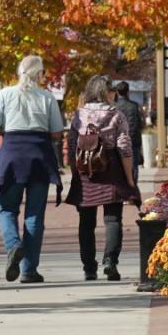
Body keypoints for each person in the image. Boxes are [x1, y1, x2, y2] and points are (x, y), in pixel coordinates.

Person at [0, 54, 63, 284]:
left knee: (7, 208)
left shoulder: (6, 94)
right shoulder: (47, 98)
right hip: (39, 158)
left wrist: (6, 134)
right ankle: (29, 270)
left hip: (11, 157)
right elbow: (57, 132)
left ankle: (13, 245)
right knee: (34, 216)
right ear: (39, 74)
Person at [67, 76, 139, 280]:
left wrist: (75, 172)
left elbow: (72, 145)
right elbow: (124, 147)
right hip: (112, 169)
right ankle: (110, 261)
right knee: (113, 219)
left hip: (86, 171)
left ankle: (89, 267)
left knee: (86, 221)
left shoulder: (79, 115)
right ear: (106, 92)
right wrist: (129, 178)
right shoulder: (116, 114)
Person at [109, 80, 144, 184]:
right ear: (128, 91)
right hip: (133, 140)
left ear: (117, 92)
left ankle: (122, 188)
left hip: (117, 141)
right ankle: (133, 188)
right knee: (133, 167)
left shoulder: (113, 107)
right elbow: (139, 123)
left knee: (118, 166)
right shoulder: (134, 106)